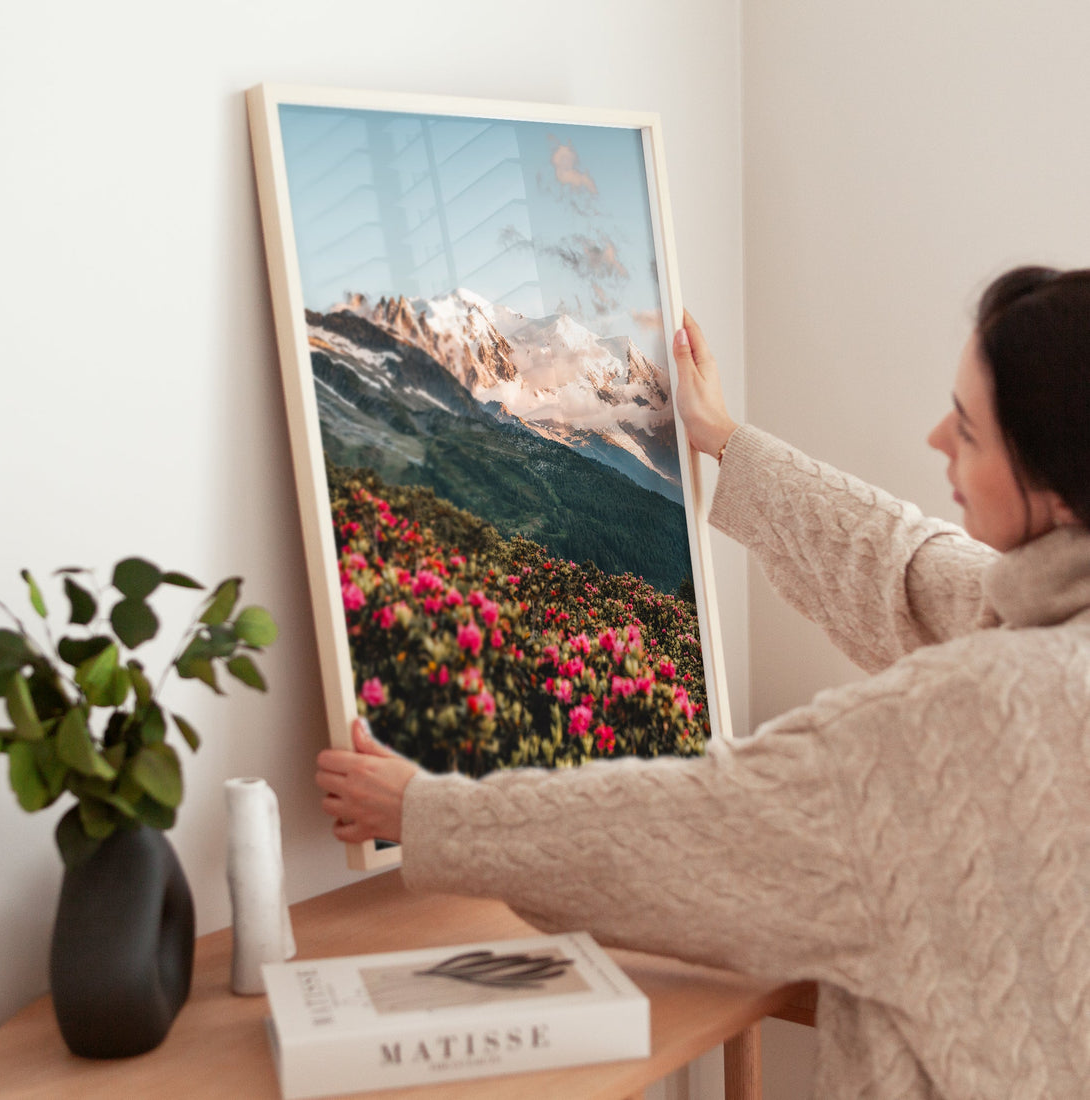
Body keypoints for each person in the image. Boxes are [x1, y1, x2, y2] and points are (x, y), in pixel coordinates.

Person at [315, 265, 1090, 1099]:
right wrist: (724, 440)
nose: (938, 438)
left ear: (1054, 486)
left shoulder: (968, 718)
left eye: (970, 431)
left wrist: (425, 813)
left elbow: (698, 827)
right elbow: (908, 568)